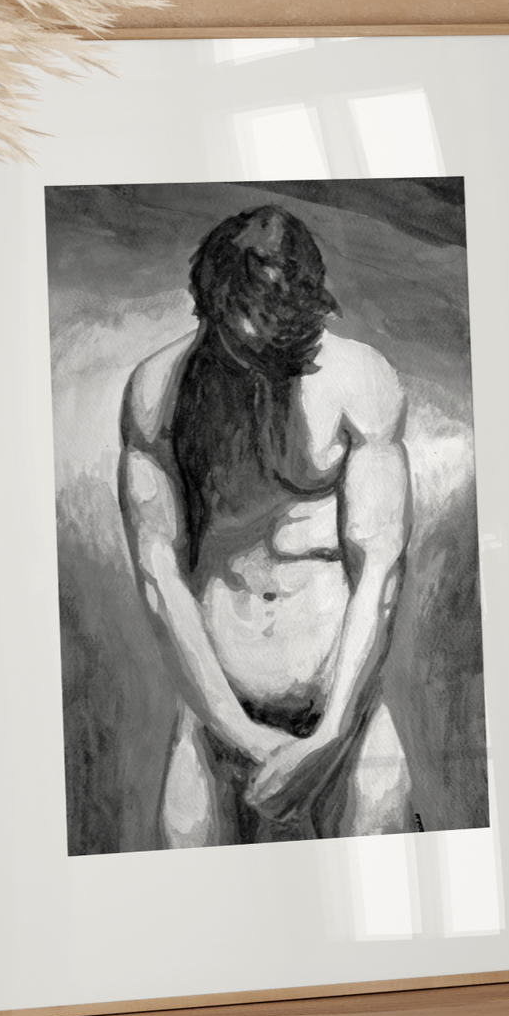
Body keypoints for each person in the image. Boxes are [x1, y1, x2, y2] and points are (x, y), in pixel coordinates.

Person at [119, 205, 415, 847]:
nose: (261, 362)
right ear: (210, 308)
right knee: (194, 923)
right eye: (242, 339)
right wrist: (241, 733)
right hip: (212, 722)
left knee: (390, 910)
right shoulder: (158, 393)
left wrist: (332, 733)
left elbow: (381, 569)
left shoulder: (360, 380)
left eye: (283, 346)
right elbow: (157, 575)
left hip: (348, 716)